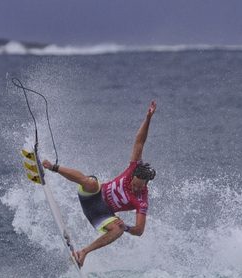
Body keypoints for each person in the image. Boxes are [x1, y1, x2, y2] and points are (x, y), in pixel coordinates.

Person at [43, 101, 157, 266]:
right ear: (133, 175)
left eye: (140, 186)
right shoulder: (134, 167)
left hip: (101, 215)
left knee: (117, 230)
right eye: (135, 184)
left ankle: (83, 252)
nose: (136, 187)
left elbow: (139, 231)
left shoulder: (141, 200)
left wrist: (126, 227)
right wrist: (148, 118)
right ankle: (52, 167)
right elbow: (139, 141)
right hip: (92, 195)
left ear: (146, 185)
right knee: (92, 182)